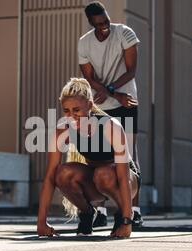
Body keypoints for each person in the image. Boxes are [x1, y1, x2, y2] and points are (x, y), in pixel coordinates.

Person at [37, 78, 141, 238]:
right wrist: (41, 223)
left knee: (103, 174)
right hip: (95, 179)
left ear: (90, 106)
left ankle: (121, 215)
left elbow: (123, 175)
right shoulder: (62, 130)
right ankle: (86, 213)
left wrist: (127, 221)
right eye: (66, 111)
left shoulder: (110, 126)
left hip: (125, 180)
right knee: (62, 173)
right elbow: (50, 178)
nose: (71, 116)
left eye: (77, 110)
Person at [78, 1, 143, 227]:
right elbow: (89, 78)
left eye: (106, 21)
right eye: (99, 24)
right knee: (98, 156)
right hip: (99, 104)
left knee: (129, 154)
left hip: (126, 100)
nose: (105, 26)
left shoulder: (124, 33)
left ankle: (134, 209)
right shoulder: (84, 43)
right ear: (91, 23)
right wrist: (108, 94)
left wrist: (113, 92)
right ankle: (101, 212)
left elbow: (131, 69)